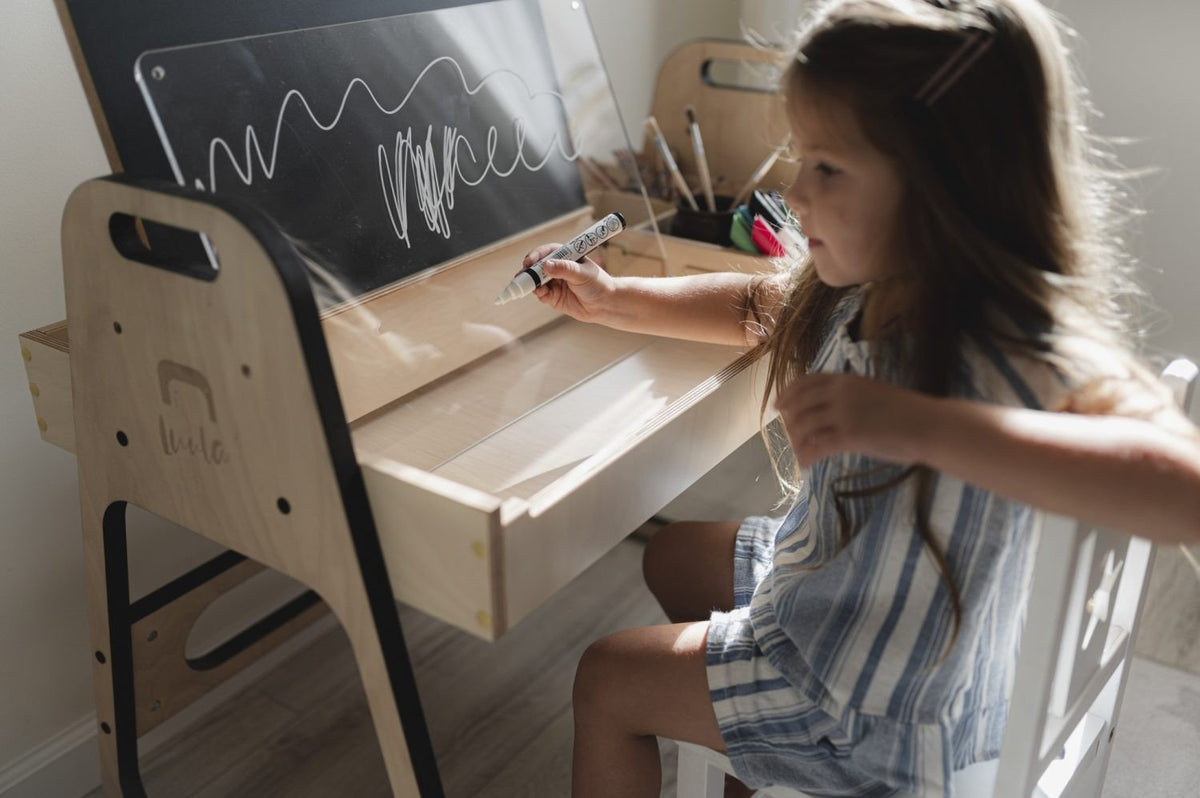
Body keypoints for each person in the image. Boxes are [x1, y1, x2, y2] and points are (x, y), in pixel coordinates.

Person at [517, 1, 1194, 794]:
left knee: (607, 679)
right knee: (674, 554)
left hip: (879, 705)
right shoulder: (872, 280)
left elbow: (1181, 489)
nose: (794, 192)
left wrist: (927, 427)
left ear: (949, 182)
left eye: (827, 168)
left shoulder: (1004, 341)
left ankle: (768, 742)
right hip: (846, 598)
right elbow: (753, 307)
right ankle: (754, 762)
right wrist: (614, 297)